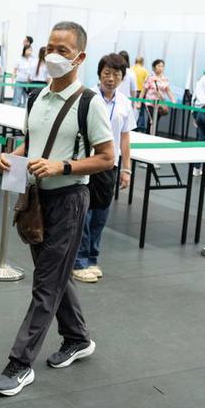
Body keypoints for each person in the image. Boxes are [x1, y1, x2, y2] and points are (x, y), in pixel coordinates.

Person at [0, 21, 114, 397]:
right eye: (50, 48)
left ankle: (20, 363)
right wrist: (12, 156)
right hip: (36, 198)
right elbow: (33, 142)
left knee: (46, 282)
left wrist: (63, 166)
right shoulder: (36, 99)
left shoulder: (90, 103)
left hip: (69, 201)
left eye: (63, 50)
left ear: (79, 57)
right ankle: (77, 337)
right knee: (55, 275)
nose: (53, 56)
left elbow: (107, 158)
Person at [72, 53, 135, 283]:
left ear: (122, 77)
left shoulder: (125, 104)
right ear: (99, 74)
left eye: (116, 74)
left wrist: (126, 169)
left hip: (109, 164)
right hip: (87, 162)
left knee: (100, 215)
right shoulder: (86, 97)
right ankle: (78, 261)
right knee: (84, 215)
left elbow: (125, 138)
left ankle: (91, 258)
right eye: (106, 73)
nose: (110, 78)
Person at [139, 59, 176, 132]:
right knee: (152, 120)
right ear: (154, 67)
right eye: (159, 66)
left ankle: (153, 136)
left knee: (156, 121)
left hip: (159, 104)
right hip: (150, 102)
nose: (160, 68)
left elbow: (168, 91)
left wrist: (173, 101)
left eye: (162, 66)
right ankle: (149, 137)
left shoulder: (164, 79)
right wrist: (139, 102)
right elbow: (144, 90)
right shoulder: (150, 77)